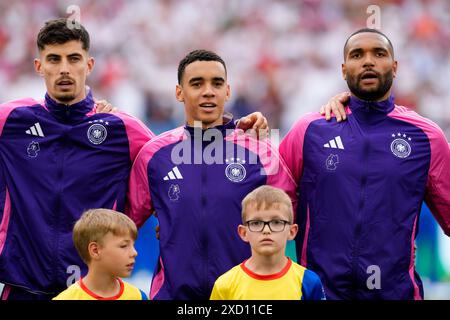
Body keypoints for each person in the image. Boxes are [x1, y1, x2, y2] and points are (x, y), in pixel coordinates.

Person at [0, 19, 267, 300]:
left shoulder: (122, 128)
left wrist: (233, 131)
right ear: (39, 66)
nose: (64, 68)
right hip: (23, 286)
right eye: (54, 59)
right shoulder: (11, 121)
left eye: (74, 58)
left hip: (96, 288)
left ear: (89, 65)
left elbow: (176, 158)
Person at [279, 28, 450, 300]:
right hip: (319, 295)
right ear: (344, 70)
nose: (368, 61)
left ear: (394, 67)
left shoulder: (427, 137)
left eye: (379, 54)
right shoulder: (309, 131)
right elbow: (266, 207)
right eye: (357, 55)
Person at [126, 49, 297, 300]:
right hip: (173, 295)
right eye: (197, 84)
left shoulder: (260, 152)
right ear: (179, 92)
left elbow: (292, 215)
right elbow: (124, 223)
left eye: (217, 83)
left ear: (227, 91)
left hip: (244, 297)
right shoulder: (154, 155)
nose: (208, 91)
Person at [210, 185, 325, 300]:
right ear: (244, 232)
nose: (266, 230)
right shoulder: (225, 286)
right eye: (256, 223)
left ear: (291, 231)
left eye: (276, 222)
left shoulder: (309, 282)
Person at [53, 209, 147, 300]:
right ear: (95, 250)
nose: (134, 253)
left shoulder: (138, 296)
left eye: (133, 245)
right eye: (124, 246)